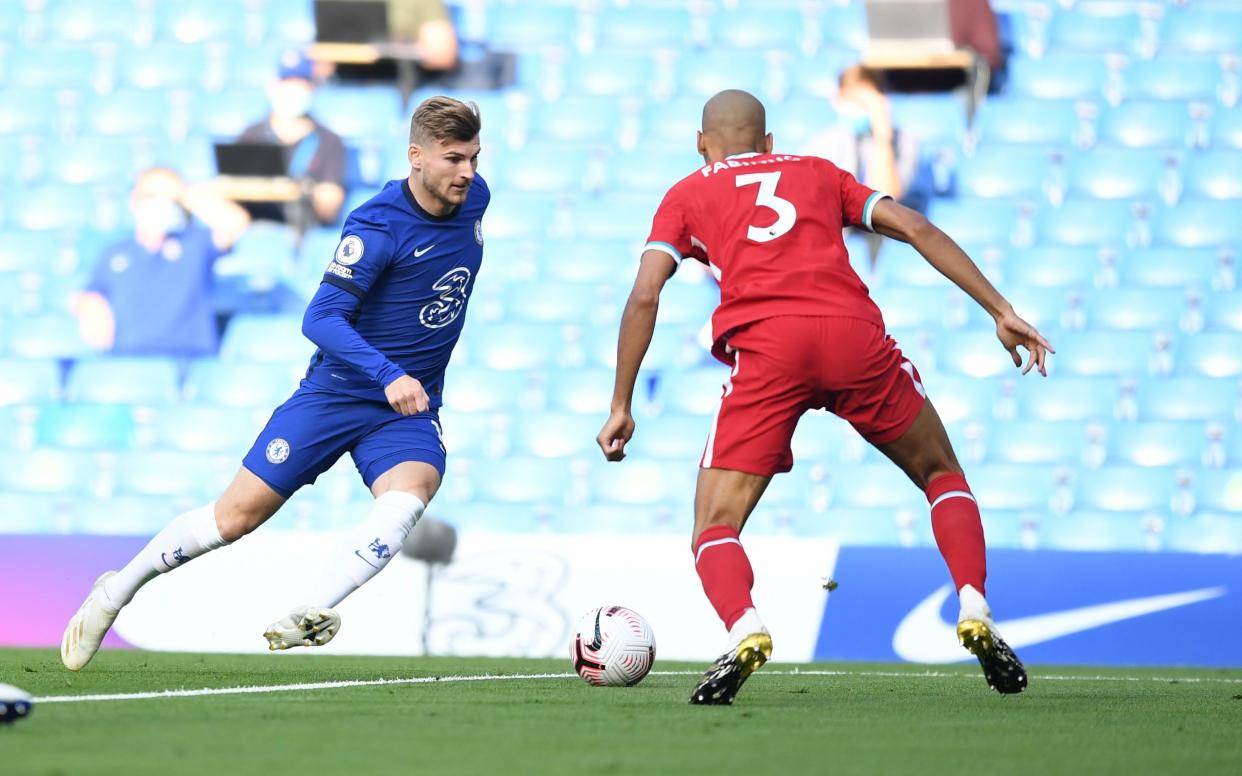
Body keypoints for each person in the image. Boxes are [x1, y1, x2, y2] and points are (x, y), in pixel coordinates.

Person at [596, 90, 1053, 705]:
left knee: (715, 524)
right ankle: (973, 603)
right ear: (768, 143)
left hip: (768, 348)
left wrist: (622, 402)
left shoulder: (688, 191)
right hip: (852, 338)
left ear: (702, 144)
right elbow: (915, 226)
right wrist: (1001, 310)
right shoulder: (816, 171)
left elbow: (647, 294)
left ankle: (745, 627)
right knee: (942, 474)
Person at [61, 97, 488, 671]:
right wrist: (389, 373)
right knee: (232, 520)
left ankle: (315, 609)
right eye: (454, 159)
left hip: (405, 409)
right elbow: (319, 319)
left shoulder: (474, 199)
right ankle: (115, 591)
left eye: (475, 159)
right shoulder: (376, 225)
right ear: (416, 157)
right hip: (341, 391)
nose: (467, 172)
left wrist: (405, 383)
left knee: (410, 496)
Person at [72, 167, 250, 357]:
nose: (156, 204)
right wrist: (89, 304)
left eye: (163, 198)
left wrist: (181, 191)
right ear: (134, 201)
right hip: (129, 361)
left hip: (187, 358)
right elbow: (88, 294)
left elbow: (234, 223)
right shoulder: (115, 254)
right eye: (148, 196)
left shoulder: (194, 244)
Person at [239, 49, 347, 227]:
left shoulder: (329, 140)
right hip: (255, 228)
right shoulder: (252, 135)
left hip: (304, 229)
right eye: (287, 82)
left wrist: (301, 191)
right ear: (273, 86)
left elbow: (331, 205)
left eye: (300, 83)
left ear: (312, 88)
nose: (293, 89)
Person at [803, 65, 920, 209]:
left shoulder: (903, 140)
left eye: (865, 102)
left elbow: (883, 200)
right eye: (853, 100)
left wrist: (882, 136)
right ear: (837, 99)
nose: (857, 108)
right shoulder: (822, 143)